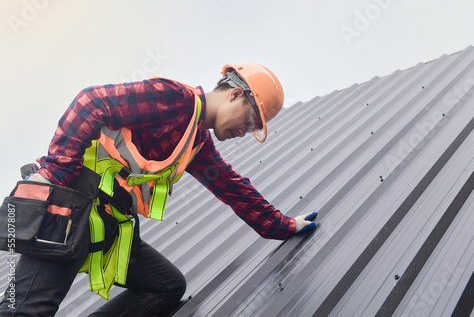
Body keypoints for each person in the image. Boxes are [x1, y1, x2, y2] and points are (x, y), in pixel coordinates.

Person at [0, 62, 317, 316]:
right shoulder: (173, 99)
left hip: (109, 224)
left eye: (253, 129)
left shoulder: (196, 144)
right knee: (27, 310)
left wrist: (285, 225)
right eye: (250, 120)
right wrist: (54, 174)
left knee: (166, 286)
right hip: (72, 210)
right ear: (235, 95)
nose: (245, 131)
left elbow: (233, 188)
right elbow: (90, 102)